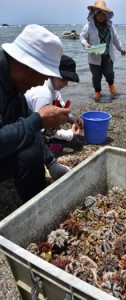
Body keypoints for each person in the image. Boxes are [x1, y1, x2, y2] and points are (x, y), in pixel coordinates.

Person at [0, 24, 72, 205]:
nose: (43, 81)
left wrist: (51, 162)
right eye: (43, 75)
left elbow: (29, 127)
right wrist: (38, 119)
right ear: (26, 66)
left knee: (30, 153)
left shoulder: (15, 86)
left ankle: (38, 209)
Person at [25, 55, 81, 180]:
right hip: (27, 129)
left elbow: (59, 100)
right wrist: (69, 135)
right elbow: (40, 128)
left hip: (33, 122)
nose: (66, 84)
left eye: (68, 80)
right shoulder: (42, 94)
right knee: (44, 136)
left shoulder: (50, 84)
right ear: (52, 73)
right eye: (64, 79)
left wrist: (70, 118)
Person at [80, 0, 126, 100]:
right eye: (98, 13)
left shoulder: (110, 26)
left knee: (109, 73)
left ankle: (111, 85)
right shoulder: (88, 26)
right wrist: (86, 45)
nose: (101, 16)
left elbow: (115, 38)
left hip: (107, 55)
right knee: (96, 76)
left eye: (103, 14)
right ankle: (97, 92)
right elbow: (82, 37)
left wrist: (120, 48)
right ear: (94, 14)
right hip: (94, 55)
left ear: (106, 15)